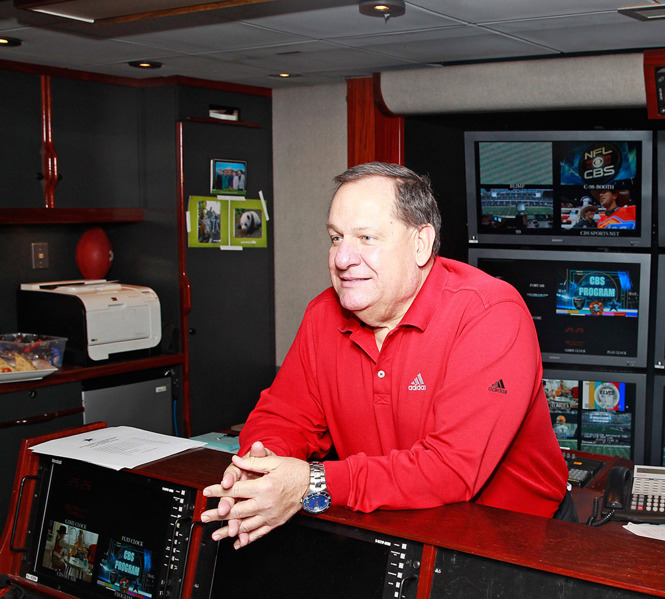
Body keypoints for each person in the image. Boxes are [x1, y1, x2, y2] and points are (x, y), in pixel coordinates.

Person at [201, 162, 569, 549]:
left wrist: (311, 481)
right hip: (388, 522)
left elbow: (452, 470)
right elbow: (284, 417)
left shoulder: (490, 313)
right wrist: (262, 467)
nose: (342, 259)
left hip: (514, 538)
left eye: (366, 238)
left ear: (421, 244)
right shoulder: (322, 314)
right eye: (336, 237)